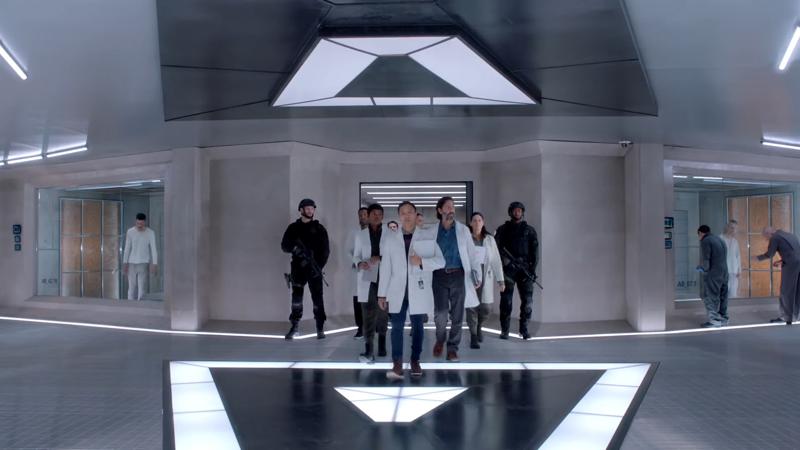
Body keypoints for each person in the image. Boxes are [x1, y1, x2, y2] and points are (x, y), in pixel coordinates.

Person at [378, 201, 444, 379]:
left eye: (410, 212)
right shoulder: (390, 239)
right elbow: (385, 268)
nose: (406, 215)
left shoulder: (427, 236)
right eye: (403, 213)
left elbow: (441, 261)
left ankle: (415, 359)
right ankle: (397, 363)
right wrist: (381, 294)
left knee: (418, 327)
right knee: (396, 327)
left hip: (418, 289)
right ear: (399, 216)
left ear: (416, 215)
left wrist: (422, 262)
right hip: (397, 290)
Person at [432, 196, 482, 362]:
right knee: (440, 314)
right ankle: (440, 339)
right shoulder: (433, 231)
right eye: (447, 207)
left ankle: (453, 348)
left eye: (452, 207)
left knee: (457, 314)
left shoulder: (463, 230)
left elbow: (472, 254)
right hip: (439, 275)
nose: (451, 210)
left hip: (458, 275)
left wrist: (476, 274)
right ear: (440, 210)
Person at [280, 198, 330, 340]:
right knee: (296, 299)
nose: (310, 211)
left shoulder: (319, 229)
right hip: (297, 268)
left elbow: (326, 251)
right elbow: (284, 245)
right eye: (307, 208)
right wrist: (295, 249)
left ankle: (320, 328)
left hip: (314, 268)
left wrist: (318, 266)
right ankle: (294, 326)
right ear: (301, 210)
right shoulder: (293, 228)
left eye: (312, 208)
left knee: (317, 299)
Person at [494, 201, 539, 339]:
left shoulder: (529, 230)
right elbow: (496, 250)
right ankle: (505, 330)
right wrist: (504, 265)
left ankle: (524, 330)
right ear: (510, 212)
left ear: (522, 212)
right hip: (508, 270)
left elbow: (535, 252)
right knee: (506, 302)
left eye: (519, 210)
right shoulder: (502, 229)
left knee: (528, 302)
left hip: (525, 270)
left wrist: (532, 270)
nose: (517, 212)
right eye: (515, 210)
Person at [353, 204, 389, 363]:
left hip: (384, 276)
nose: (377, 216)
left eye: (380, 214)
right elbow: (356, 255)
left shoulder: (390, 233)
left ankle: (382, 343)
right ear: (367, 215)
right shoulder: (360, 235)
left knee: (383, 312)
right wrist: (359, 263)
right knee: (367, 312)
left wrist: (380, 258)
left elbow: (395, 255)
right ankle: (368, 348)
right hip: (367, 275)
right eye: (374, 213)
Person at [467, 212, 505, 349]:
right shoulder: (466, 238)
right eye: (474, 220)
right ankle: (473, 336)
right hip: (470, 277)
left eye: (479, 220)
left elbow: (496, 260)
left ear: (483, 223)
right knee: (471, 308)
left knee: (486, 308)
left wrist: (501, 280)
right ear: (470, 223)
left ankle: (479, 326)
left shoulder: (489, 239)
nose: (477, 223)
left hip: (485, 276)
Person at [756, 227, 800, 325]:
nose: (767, 240)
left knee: (786, 291)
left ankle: (785, 317)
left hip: (791, 266)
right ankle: (796, 316)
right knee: (797, 291)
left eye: (766, 237)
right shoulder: (791, 235)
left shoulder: (775, 237)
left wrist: (756, 258)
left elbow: (769, 254)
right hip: (797, 264)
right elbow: (794, 252)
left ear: (769, 233)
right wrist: (782, 261)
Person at [697, 225, 729, 328]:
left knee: (710, 296)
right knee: (723, 296)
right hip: (724, 272)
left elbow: (706, 260)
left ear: (700, 233)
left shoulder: (706, 241)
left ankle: (714, 320)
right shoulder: (720, 239)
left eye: (698, 235)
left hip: (714, 273)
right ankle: (723, 318)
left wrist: (701, 268)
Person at [122, 213, 158, 301]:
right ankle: (130, 306)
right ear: (135, 221)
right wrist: (125, 263)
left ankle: (140, 306)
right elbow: (127, 248)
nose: (139, 225)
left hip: (143, 262)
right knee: (131, 287)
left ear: (145, 222)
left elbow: (154, 249)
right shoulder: (130, 232)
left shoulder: (150, 233)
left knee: (141, 288)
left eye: (141, 223)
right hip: (131, 262)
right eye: (138, 223)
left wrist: (155, 264)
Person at [345, 207, 369, 339]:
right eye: (360, 215)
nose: (362, 217)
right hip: (358, 269)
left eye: (365, 214)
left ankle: (372, 326)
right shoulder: (353, 233)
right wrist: (357, 262)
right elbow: (348, 251)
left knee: (371, 299)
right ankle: (360, 327)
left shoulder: (375, 232)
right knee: (358, 300)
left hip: (372, 268)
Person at [720, 221, 741, 298]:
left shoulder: (735, 241)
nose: (733, 230)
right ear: (727, 227)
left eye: (735, 228)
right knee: (723, 293)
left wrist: (739, 269)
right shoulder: (720, 239)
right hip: (723, 270)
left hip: (734, 271)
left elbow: (738, 256)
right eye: (732, 227)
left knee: (733, 294)